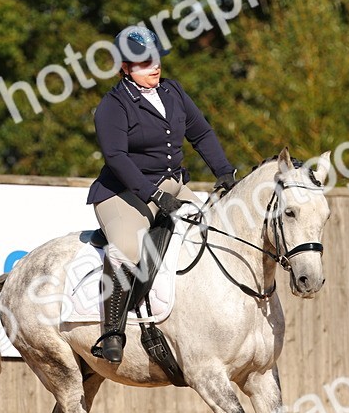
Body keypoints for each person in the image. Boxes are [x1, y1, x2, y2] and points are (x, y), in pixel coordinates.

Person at [87, 25, 239, 364]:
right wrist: (154, 195)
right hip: (122, 193)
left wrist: (224, 172)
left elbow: (201, 133)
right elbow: (117, 158)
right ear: (125, 67)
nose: (154, 67)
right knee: (127, 249)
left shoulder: (174, 92)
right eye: (143, 64)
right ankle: (112, 330)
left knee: (211, 231)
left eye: (155, 60)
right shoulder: (112, 106)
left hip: (173, 184)